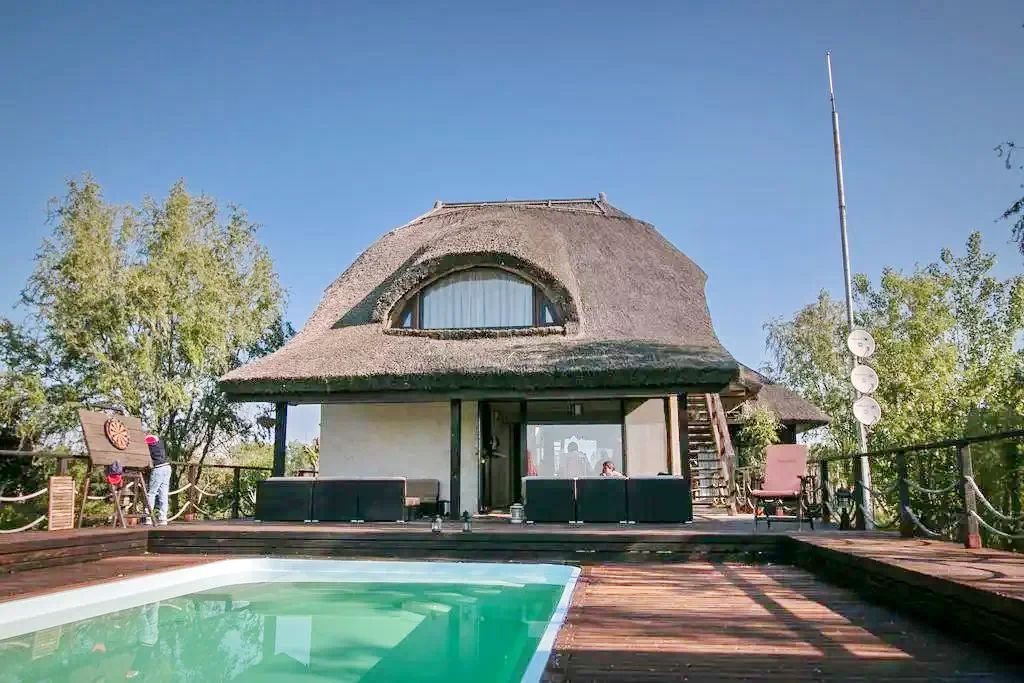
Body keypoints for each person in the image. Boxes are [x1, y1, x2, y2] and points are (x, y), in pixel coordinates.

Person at [142, 434, 169, 525]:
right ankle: (163, 518)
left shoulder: (148, 441)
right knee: (163, 493)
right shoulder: (160, 442)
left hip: (158, 468)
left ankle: (148, 517)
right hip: (167, 467)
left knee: (151, 493)